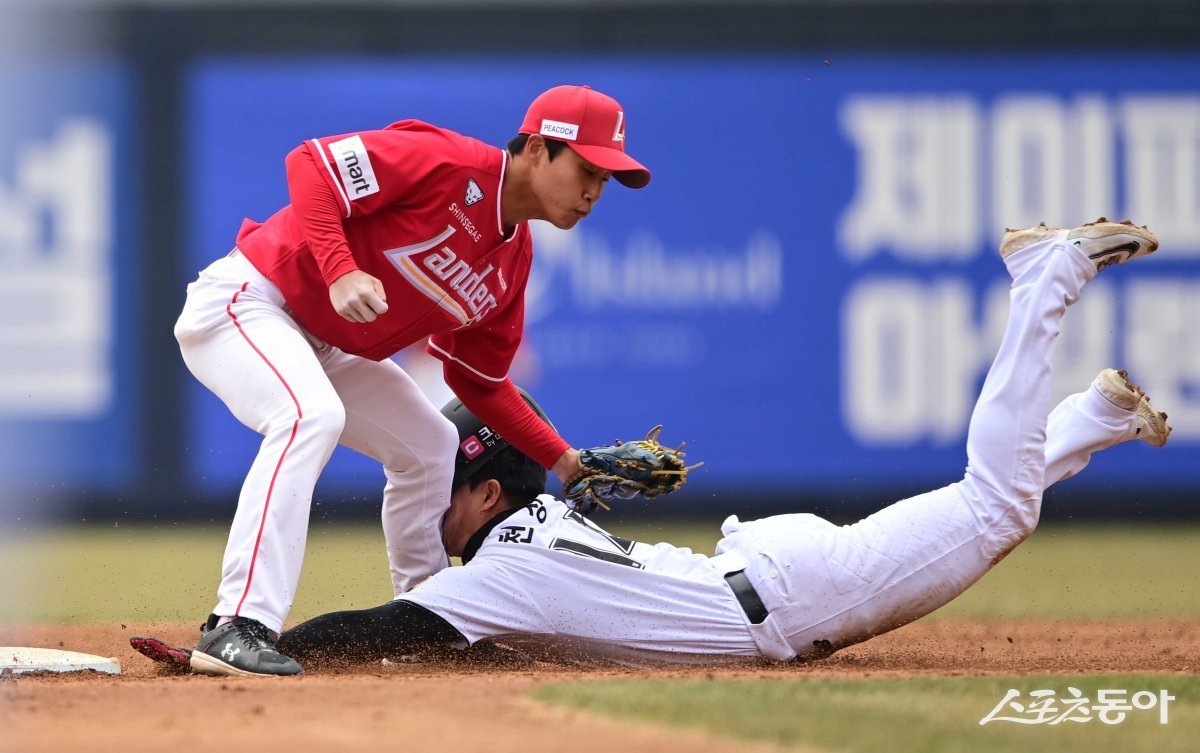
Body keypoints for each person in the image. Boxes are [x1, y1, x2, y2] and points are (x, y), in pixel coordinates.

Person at [270, 219, 1172, 667]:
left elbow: (381, 629)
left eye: (443, 486)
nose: (426, 502)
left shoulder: (499, 575)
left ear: (489, 493)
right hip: (769, 576)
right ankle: (1094, 418)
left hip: (792, 600)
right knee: (980, 509)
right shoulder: (521, 548)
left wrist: (271, 644)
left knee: (994, 505)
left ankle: (1045, 281)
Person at [171, 84, 652, 676]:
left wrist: (566, 462)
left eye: (605, 180)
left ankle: (429, 624)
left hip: (322, 343)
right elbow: (311, 165)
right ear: (536, 149)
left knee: (431, 446)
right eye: (587, 169)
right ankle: (237, 622)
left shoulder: (513, 260)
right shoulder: (450, 163)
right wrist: (340, 270)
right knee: (309, 416)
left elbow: (479, 382)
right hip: (249, 300)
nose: (594, 192)